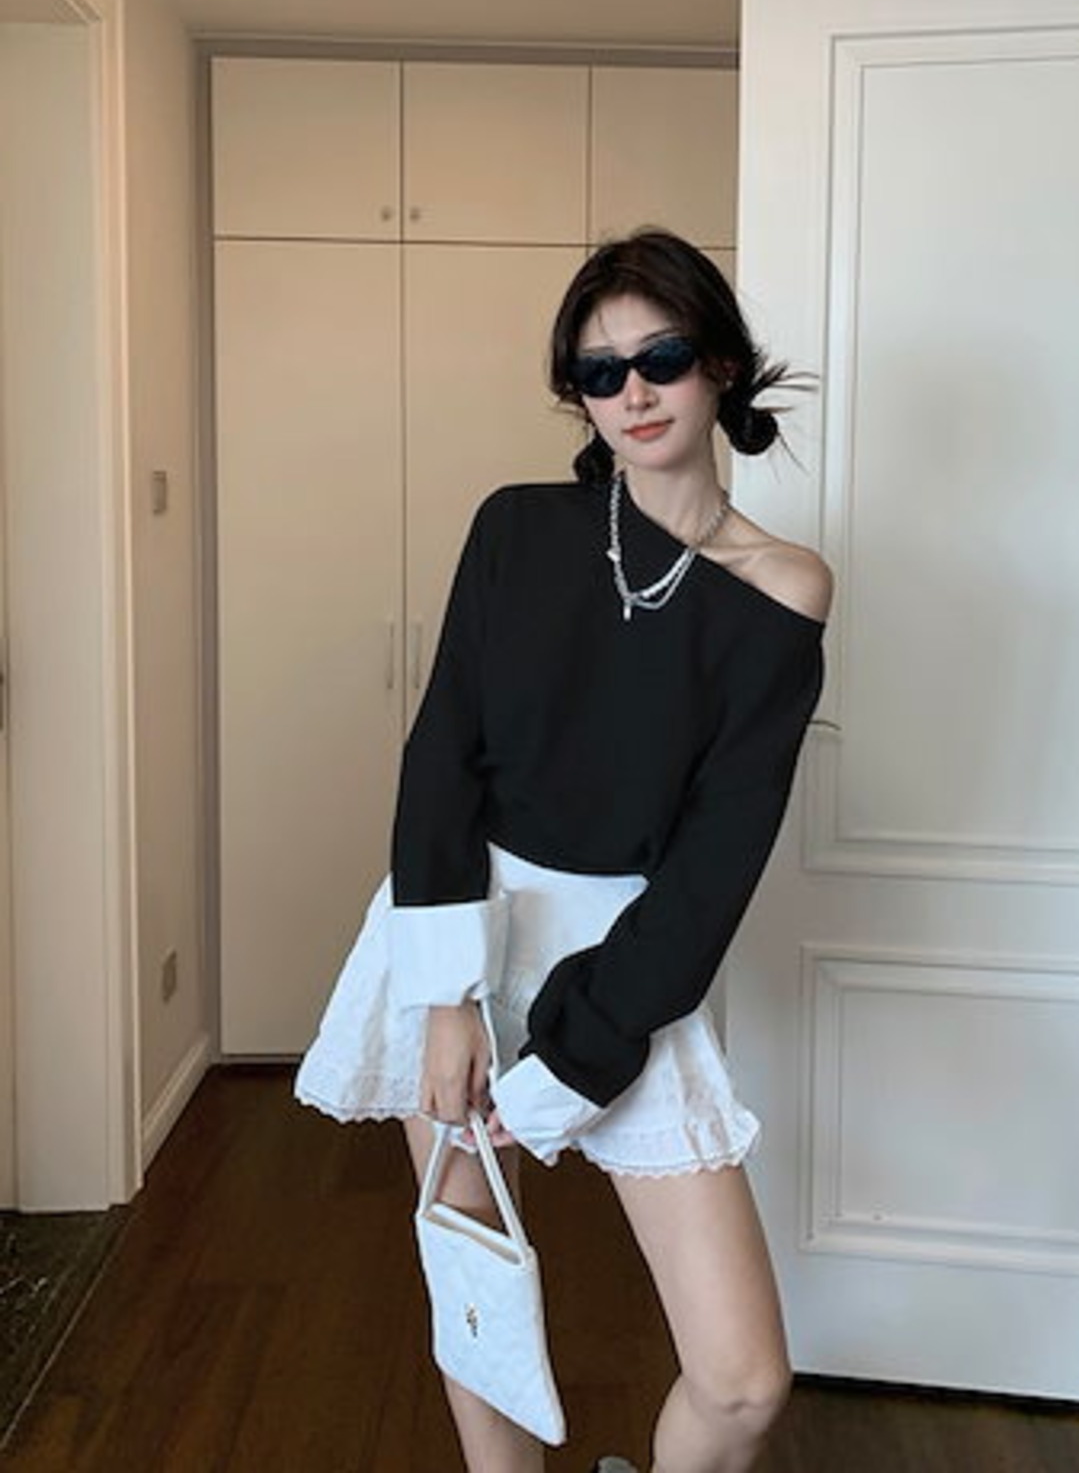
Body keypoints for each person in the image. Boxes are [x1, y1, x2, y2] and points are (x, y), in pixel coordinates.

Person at [296, 228, 832, 1473]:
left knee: (742, 1380)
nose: (632, 390)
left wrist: (575, 1058)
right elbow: (443, 756)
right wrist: (447, 996)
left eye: (661, 356)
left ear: (720, 364)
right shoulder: (519, 529)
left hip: (630, 958)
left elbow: (714, 862)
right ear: (577, 395)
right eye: (599, 371)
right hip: (462, 925)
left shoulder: (785, 588)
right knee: (477, 1293)